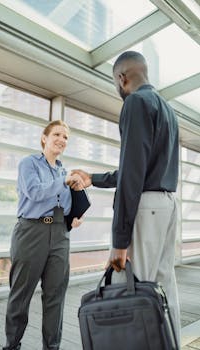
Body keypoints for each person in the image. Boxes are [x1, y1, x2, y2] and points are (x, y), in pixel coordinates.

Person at [72, 51, 181, 347]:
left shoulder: (135, 103)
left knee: (133, 294)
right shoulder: (167, 110)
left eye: (114, 82)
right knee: (163, 290)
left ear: (122, 78)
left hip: (145, 208)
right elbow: (138, 167)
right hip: (168, 206)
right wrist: (94, 178)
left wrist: (120, 241)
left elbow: (133, 175)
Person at [2, 120, 84, 350]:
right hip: (31, 232)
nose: (62, 140)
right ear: (44, 138)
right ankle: (12, 346)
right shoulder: (29, 164)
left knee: (55, 297)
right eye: (57, 134)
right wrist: (64, 181)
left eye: (66, 137)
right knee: (21, 295)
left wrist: (75, 215)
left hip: (60, 234)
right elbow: (35, 192)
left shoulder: (63, 171)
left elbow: (65, 206)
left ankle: (52, 347)